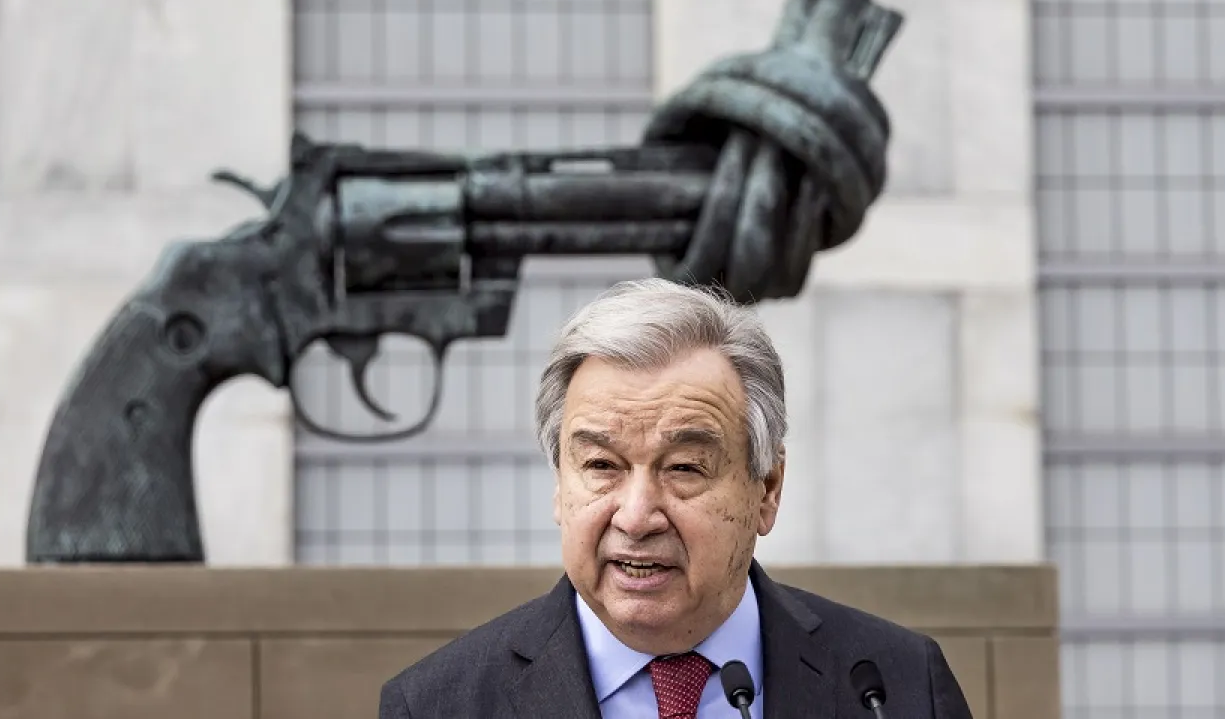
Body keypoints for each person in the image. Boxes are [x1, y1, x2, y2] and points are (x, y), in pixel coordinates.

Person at [377, 278, 974, 718]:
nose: (636, 517)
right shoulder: (436, 705)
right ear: (560, 485)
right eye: (602, 466)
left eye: (685, 468)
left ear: (767, 490)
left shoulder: (896, 686)